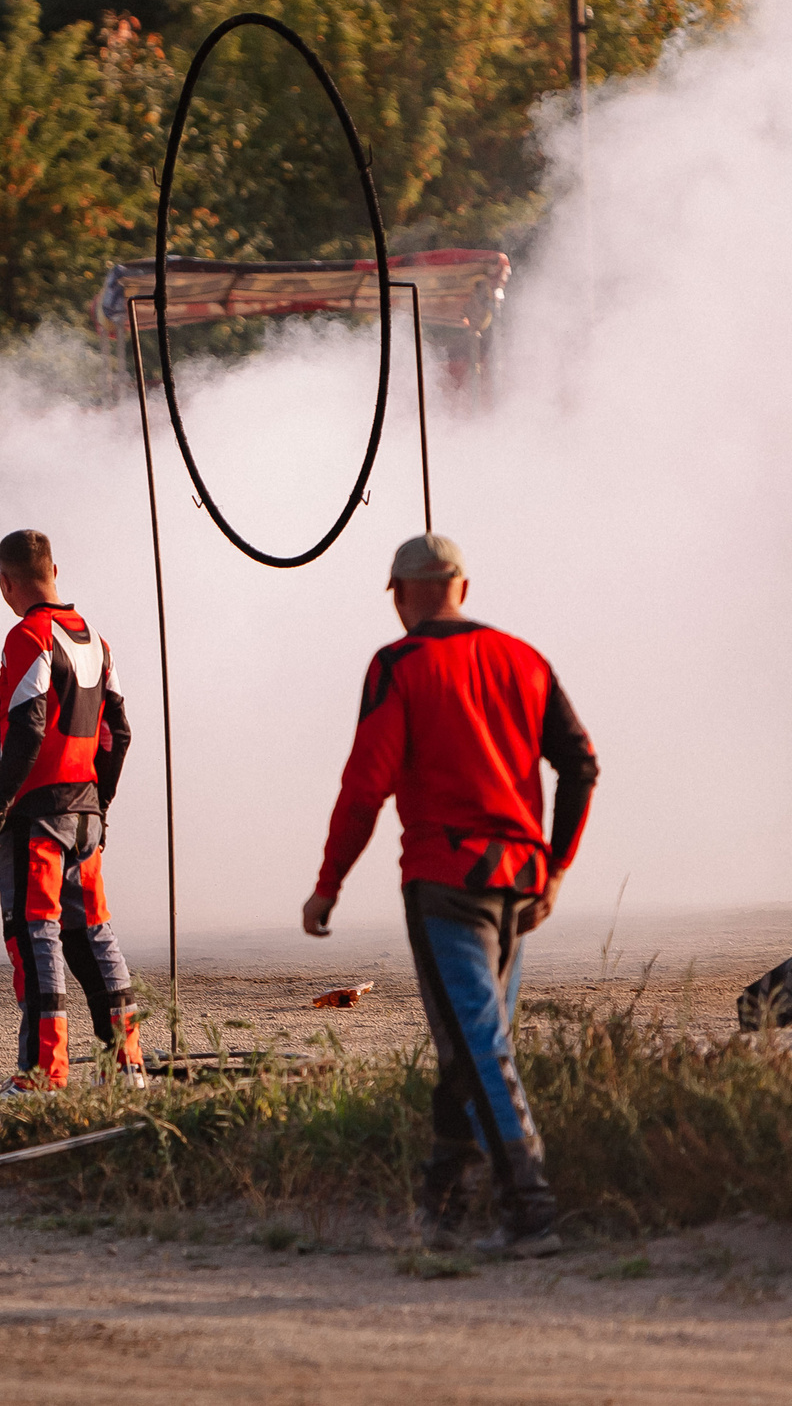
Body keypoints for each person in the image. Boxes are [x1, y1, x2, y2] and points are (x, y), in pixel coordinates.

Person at [304, 534, 598, 1258]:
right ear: (463, 585)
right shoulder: (526, 659)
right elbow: (581, 764)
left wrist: (328, 885)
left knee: (479, 1044)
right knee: (468, 1044)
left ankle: (531, 1209)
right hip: (521, 883)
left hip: (447, 881)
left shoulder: (398, 663)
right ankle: (443, 1202)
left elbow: (366, 786)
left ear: (401, 593)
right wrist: (556, 866)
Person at [0, 530, 143, 1095]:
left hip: (38, 819)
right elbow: (118, 731)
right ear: (55, 569)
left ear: (6, 583)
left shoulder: (28, 635)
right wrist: (101, 806)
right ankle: (127, 1066)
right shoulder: (95, 639)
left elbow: (27, 727)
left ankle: (43, 1077)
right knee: (94, 935)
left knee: (35, 935)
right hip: (86, 815)